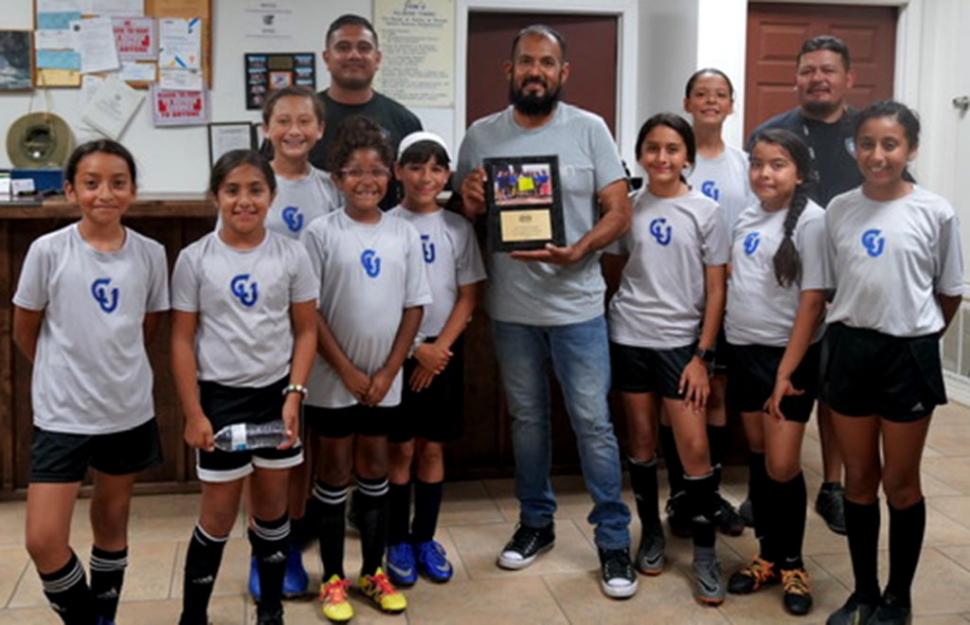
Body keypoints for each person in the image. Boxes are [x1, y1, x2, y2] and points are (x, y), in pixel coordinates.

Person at [457, 24, 638, 599]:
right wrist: (472, 201)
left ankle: (613, 540)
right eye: (526, 62)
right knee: (528, 423)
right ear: (508, 71)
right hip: (511, 308)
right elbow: (466, 217)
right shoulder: (480, 136)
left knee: (593, 424)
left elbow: (618, 209)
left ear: (564, 73)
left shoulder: (590, 130)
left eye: (547, 63)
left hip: (579, 307)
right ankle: (536, 524)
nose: (536, 71)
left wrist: (582, 249)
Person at [13, 139, 169, 625]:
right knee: (43, 539)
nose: (106, 193)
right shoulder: (48, 251)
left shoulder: (151, 254)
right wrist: (63, 370)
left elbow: (147, 328)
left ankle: (105, 615)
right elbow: (25, 328)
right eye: (92, 182)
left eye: (118, 183)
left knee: (111, 520)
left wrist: (111, 369)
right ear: (70, 189)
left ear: (133, 191)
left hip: (126, 409)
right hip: (63, 413)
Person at [822, 100, 963, 625]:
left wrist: (915, 336)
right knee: (859, 480)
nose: (877, 155)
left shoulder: (936, 211)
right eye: (866, 144)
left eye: (890, 144)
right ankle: (864, 591)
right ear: (854, 148)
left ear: (911, 149)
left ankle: (897, 598)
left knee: (900, 484)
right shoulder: (838, 209)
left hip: (908, 354)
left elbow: (948, 293)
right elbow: (838, 284)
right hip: (851, 353)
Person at [171, 149, 319, 625]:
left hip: (275, 397)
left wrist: (295, 393)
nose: (244, 200)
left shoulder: (292, 254)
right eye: (232, 190)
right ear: (215, 196)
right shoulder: (195, 259)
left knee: (273, 510)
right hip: (219, 400)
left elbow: (306, 331)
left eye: (255, 190)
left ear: (272, 196)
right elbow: (181, 338)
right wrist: (194, 412)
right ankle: (194, 615)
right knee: (217, 515)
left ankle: (270, 610)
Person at [301, 116, 431, 622]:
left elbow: (414, 307)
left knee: (375, 469)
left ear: (390, 177)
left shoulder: (402, 233)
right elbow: (309, 310)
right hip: (334, 379)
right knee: (333, 472)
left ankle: (372, 573)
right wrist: (349, 371)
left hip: (385, 380)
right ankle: (332, 578)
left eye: (377, 171)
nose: (366, 180)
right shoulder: (321, 233)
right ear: (336, 178)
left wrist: (388, 370)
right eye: (354, 172)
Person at [607, 113, 729, 604]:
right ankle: (652, 534)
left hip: (683, 346)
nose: (662, 158)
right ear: (640, 154)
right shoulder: (627, 208)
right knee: (639, 441)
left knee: (694, 447)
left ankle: (704, 553)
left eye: (673, 149)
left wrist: (703, 354)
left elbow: (717, 289)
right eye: (653, 148)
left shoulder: (706, 211)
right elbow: (615, 272)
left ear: (687, 157)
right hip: (630, 336)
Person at [749, 34, 861, 535]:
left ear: (847, 79)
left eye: (828, 69)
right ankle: (767, 489)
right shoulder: (772, 131)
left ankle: (832, 485)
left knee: (836, 394)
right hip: (789, 291)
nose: (818, 77)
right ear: (796, 78)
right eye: (808, 69)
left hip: (852, 286)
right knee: (785, 393)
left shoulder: (870, 130)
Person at [242, 84, 343, 603]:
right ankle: (264, 550)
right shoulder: (251, 184)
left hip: (320, 333)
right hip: (264, 336)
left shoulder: (330, 187)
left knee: (304, 448)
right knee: (269, 447)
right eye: (283, 121)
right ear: (266, 128)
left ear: (320, 129)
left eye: (305, 121)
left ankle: (293, 543)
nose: (295, 130)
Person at [724, 129, 827, 617]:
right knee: (762, 458)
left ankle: (793, 563)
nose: (765, 173)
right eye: (758, 163)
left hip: (788, 360)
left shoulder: (812, 221)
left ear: (799, 172)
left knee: (784, 466)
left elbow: (812, 303)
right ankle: (766, 555)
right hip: (744, 353)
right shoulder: (747, 216)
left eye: (778, 164)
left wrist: (786, 371)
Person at [384, 131, 486, 587]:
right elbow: (378, 303)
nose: (425, 177)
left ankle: (424, 537)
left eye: (436, 168)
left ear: (448, 175)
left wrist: (438, 350)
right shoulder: (384, 224)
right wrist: (413, 350)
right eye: (415, 166)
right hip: (397, 353)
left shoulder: (457, 227)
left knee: (431, 447)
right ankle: (396, 539)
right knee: (400, 447)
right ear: (398, 172)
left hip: (442, 354)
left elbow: (468, 296)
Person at [661, 68, 754, 538]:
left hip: (728, 297)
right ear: (687, 101)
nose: (711, 101)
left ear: (732, 105)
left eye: (720, 95)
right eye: (701, 94)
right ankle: (681, 493)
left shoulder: (744, 164)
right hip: (677, 298)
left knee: (713, 395)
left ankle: (710, 493)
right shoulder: (676, 160)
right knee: (676, 396)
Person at [308, 13, 423, 210]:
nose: (354, 55)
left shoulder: (404, 122)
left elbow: (416, 190)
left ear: (377, 59)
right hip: (308, 235)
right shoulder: (300, 118)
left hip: (383, 236)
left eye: (364, 48)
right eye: (343, 47)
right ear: (327, 58)